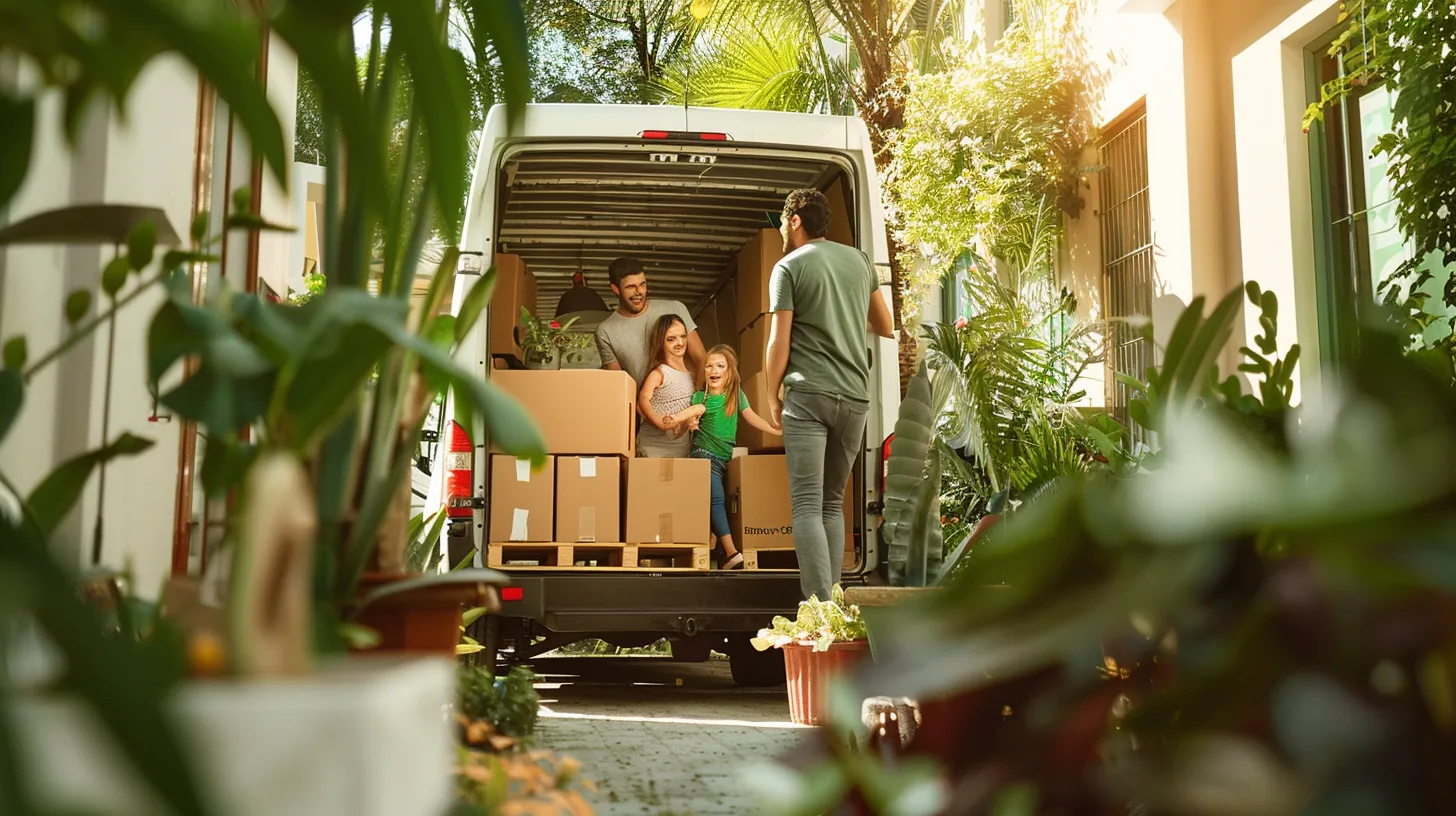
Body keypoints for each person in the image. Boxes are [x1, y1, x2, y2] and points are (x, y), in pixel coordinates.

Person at [763, 189, 896, 601]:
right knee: (831, 503)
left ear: (796, 221)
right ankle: (834, 600)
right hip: (854, 398)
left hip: (808, 395)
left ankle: (819, 607)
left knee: (805, 505)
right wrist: (842, 315)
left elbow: (778, 342)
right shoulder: (858, 260)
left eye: (783, 222)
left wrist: (771, 394)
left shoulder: (787, 267)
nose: (783, 229)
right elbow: (886, 325)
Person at [674, 345, 782, 570]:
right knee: (717, 500)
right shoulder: (698, 398)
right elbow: (681, 429)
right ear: (704, 371)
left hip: (722, 459)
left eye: (720, 366)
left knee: (712, 501)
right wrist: (689, 424)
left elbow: (752, 418)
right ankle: (732, 553)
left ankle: (714, 539)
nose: (714, 370)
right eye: (709, 366)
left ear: (729, 373)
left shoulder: (735, 395)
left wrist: (777, 431)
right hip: (703, 456)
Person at [595, 257, 706, 388]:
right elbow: (618, 386)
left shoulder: (674, 308)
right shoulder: (606, 331)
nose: (639, 292)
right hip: (646, 405)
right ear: (615, 289)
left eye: (642, 284)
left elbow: (702, 360)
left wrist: (699, 400)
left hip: (690, 401)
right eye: (630, 287)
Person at [636, 315, 697, 458]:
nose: (680, 343)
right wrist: (660, 423)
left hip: (681, 448)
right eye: (671, 339)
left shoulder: (691, 375)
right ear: (661, 342)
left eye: (683, 336)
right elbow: (642, 402)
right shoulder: (659, 373)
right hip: (653, 446)